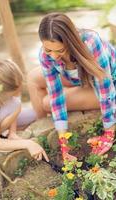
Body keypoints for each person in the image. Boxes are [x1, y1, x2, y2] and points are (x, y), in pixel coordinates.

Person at [27, 13, 116, 160]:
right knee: (32, 78)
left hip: (109, 82)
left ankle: (74, 99)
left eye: (60, 50)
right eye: (48, 50)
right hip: (81, 77)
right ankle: (39, 134)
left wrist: (109, 133)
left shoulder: (91, 43)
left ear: (70, 42)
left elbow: (105, 88)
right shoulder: (46, 55)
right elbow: (56, 94)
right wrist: (63, 141)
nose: (53, 56)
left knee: (46, 103)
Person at [0, 59, 49, 162]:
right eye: (13, 93)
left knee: (31, 113)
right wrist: (28, 144)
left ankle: (7, 134)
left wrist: (12, 133)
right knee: (15, 104)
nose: (18, 94)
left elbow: (15, 103)